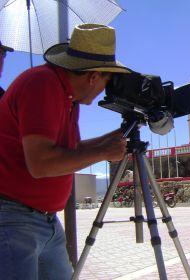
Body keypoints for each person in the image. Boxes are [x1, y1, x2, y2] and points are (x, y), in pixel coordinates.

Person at [0, 24, 131, 279]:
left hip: (45, 221)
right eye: (106, 81)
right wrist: (103, 152)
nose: (104, 90)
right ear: (93, 76)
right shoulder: (42, 84)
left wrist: (110, 140)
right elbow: (41, 164)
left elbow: (68, 152)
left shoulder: (67, 95)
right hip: (15, 220)